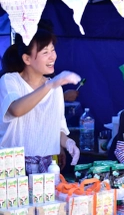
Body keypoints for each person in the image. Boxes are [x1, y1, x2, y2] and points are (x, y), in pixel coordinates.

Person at [0, 21, 81, 175]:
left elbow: (56, 129)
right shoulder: (9, 81)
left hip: (46, 168)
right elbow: (17, 109)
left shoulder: (55, 88)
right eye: (45, 52)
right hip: (12, 168)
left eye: (53, 50)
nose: (53, 57)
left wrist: (68, 142)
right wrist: (51, 85)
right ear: (27, 59)